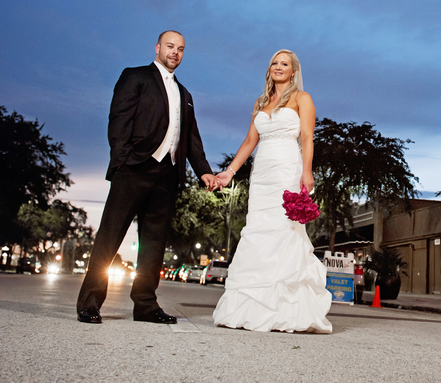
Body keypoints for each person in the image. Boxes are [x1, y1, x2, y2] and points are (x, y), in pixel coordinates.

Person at [76, 30, 217, 325]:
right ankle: (89, 303)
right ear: (157, 48)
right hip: (133, 170)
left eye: (180, 48)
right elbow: (119, 121)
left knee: (154, 244)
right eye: (170, 46)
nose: (175, 52)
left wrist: (203, 170)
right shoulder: (135, 76)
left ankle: (145, 305)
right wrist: (122, 162)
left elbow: (191, 137)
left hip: (167, 175)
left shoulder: (185, 94)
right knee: (109, 238)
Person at [210, 49, 332, 333]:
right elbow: (250, 141)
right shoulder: (260, 102)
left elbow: (306, 138)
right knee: (258, 231)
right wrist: (229, 172)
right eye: (274, 63)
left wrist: (307, 171)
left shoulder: (303, 99)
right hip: (262, 176)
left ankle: (287, 311)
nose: (279, 67)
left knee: (284, 232)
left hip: (287, 171)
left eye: (285, 64)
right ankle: (250, 308)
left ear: (294, 71)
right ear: (269, 70)